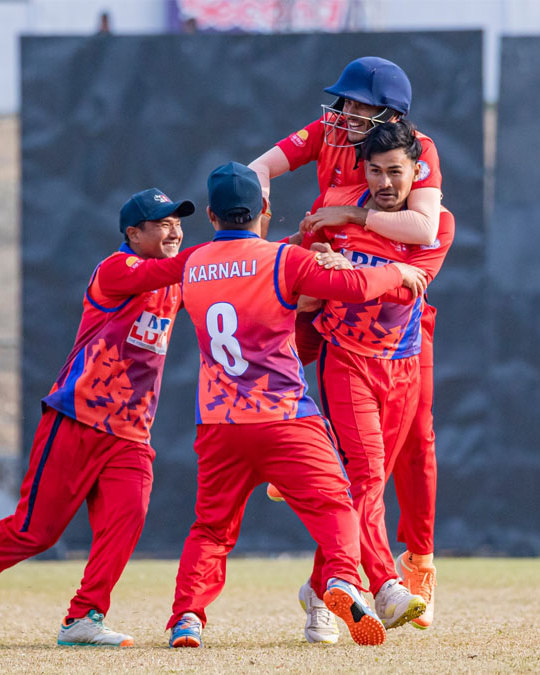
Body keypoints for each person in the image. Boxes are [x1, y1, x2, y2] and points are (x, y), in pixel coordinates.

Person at [165, 162, 427, 649]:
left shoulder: (191, 263)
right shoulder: (281, 260)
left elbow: (149, 276)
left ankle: (187, 618)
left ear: (210, 215)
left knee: (211, 528)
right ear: (264, 209)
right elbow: (352, 288)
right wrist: (398, 271)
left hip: (219, 421)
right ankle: (344, 581)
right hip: (285, 417)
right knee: (335, 505)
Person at [0, 187, 201, 646]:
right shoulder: (117, 269)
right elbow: (205, 263)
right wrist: (238, 245)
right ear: (133, 234)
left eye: (178, 220)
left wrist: (294, 248)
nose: (174, 228)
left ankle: (84, 618)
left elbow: (242, 278)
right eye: (162, 222)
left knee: (128, 515)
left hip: (131, 430)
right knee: (36, 532)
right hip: (76, 418)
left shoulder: (173, 280)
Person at [249, 56, 446, 629]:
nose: (345, 115)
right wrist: (277, 241)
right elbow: (261, 166)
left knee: (407, 452)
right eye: (345, 104)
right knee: (272, 329)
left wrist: (345, 227)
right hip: (345, 343)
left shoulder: (418, 186)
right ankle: (376, 581)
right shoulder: (332, 152)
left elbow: (424, 233)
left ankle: (354, 579)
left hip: (401, 347)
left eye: (360, 107)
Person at [286, 121, 454, 642]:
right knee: (365, 474)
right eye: (375, 171)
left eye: (395, 172)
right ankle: (383, 584)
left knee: (367, 487)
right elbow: (296, 275)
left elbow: (408, 292)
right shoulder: (333, 209)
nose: (385, 182)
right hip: (346, 362)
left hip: (402, 367)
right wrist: (316, 267)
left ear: (416, 171)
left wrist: (347, 274)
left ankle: (321, 589)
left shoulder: (437, 225)